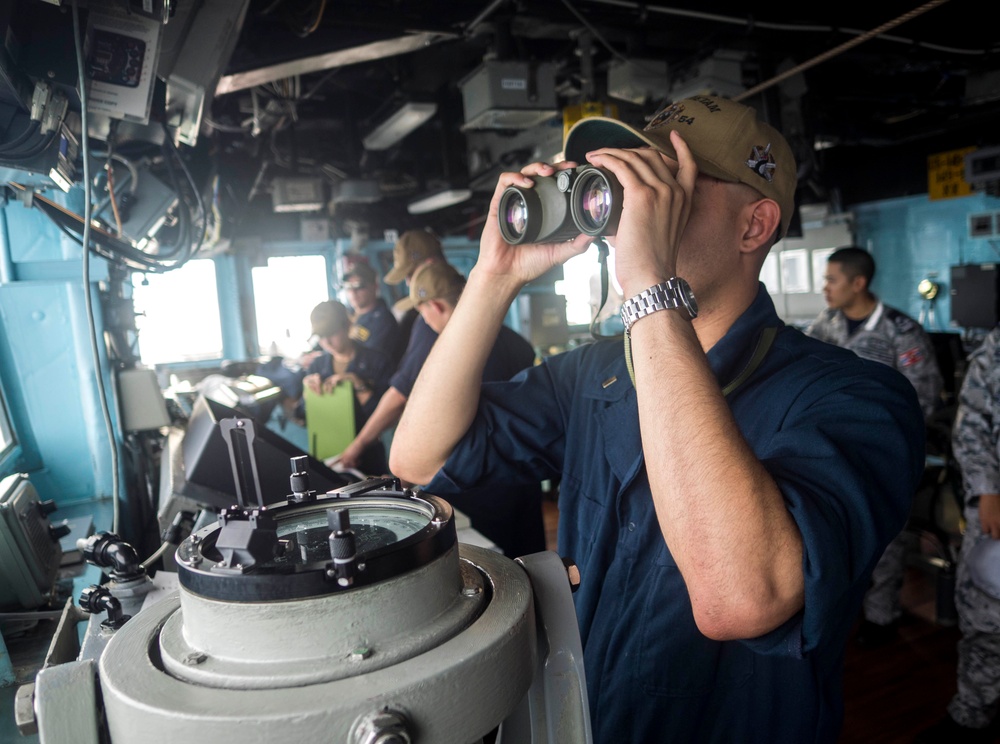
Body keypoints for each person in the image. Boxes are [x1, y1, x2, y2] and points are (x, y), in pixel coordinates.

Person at [389, 94, 926, 742]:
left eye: (664, 184)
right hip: (594, 716)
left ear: (753, 226)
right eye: (625, 182)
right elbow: (419, 456)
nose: (630, 208)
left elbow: (740, 598)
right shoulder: (597, 374)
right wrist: (494, 277)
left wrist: (648, 286)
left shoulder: (858, 398)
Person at [807, 246, 943, 646]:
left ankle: (882, 618)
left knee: (887, 538)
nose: (825, 288)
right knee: (834, 533)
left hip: (883, 455)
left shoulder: (901, 331)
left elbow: (926, 396)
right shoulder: (825, 326)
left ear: (858, 282)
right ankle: (841, 614)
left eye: (832, 279)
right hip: (833, 453)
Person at [392, 260, 545, 556]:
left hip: (479, 485)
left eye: (421, 312)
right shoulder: (514, 341)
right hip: (526, 477)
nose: (423, 321)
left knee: (494, 576)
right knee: (533, 567)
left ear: (435, 306)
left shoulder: (454, 363)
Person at [916, 326, 1000, 743]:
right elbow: (973, 419)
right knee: (987, 622)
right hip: (998, 508)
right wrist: (987, 489)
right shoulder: (998, 343)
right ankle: (971, 713)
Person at [333, 229, 444, 471]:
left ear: (429, 264)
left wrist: (358, 445)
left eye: (410, 274)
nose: (407, 283)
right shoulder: (471, 306)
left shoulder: (430, 319)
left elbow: (400, 394)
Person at [297, 300, 394, 475]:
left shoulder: (378, 362)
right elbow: (301, 416)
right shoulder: (317, 367)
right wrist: (307, 395)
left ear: (348, 325)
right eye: (321, 335)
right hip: (329, 457)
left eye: (331, 333)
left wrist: (359, 385)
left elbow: (388, 417)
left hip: (370, 458)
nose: (326, 341)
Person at [342, 261, 402, 366]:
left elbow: (370, 360)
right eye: (348, 287)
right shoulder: (347, 314)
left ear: (374, 287)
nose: (352, 292)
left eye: (359, 286)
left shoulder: (383, 321)